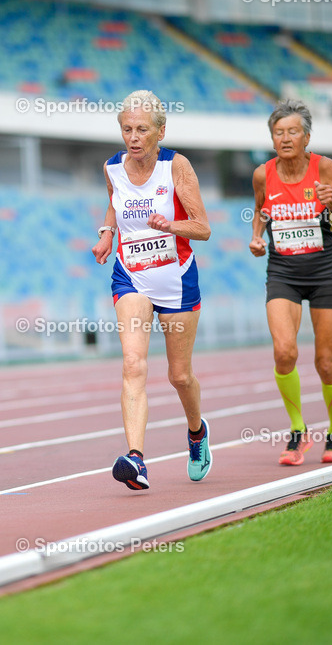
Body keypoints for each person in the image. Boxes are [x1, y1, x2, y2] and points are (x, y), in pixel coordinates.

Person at [92, 90, 212, 490]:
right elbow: (115, 203)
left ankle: (196, 433)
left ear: (161, 130)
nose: (134, 137)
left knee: (179, 376)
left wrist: (169, 226)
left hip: (176, 278)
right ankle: (137, 459)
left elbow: (203, 227)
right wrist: (108, 233)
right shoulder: (112, 168)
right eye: (127, 129)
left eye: (142, 129)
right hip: (132, 275)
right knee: (132, 364)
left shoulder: (176, 166)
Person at [249, 99, 332, 465]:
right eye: (278, 132)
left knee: (326, 361)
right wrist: (256, 237)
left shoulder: (324, 168)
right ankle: (298, 431)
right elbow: (260, 211)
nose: (285, 138)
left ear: (306, 136)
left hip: (324, 271)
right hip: (282, 271)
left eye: (292, 132)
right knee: (284, 352)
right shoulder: (263, 174)